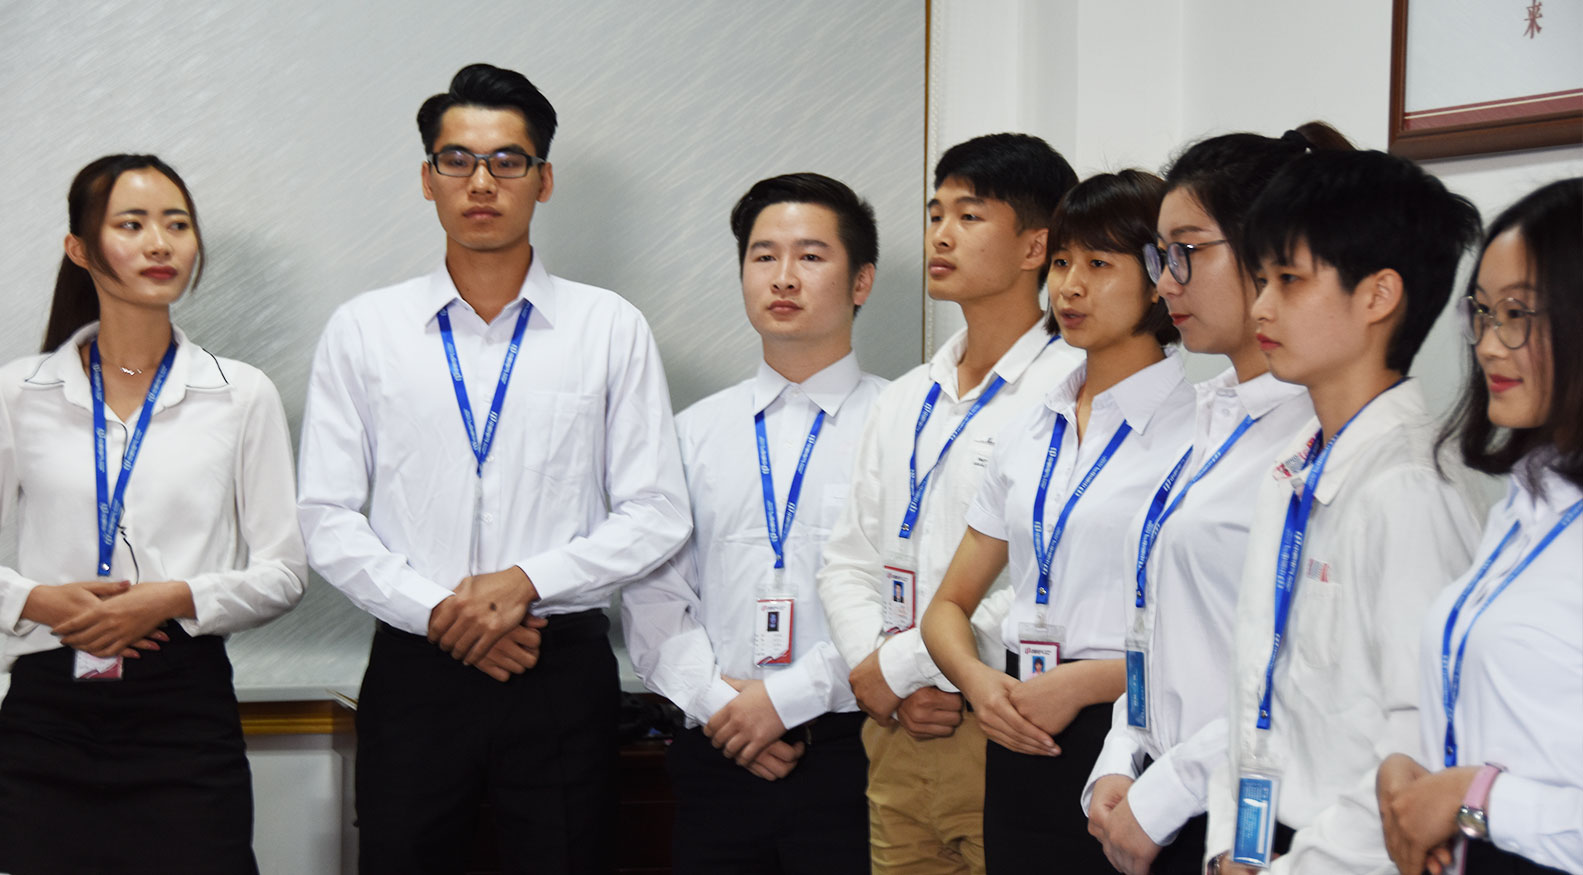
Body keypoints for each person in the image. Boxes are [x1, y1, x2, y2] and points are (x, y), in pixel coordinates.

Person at [296, 64, 691, 874]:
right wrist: (441, 611)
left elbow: (656, 509)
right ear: (427, 178)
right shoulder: (364, 329)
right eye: (457, 160)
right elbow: (325, 514)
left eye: (508, 161)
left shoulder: (608, 327)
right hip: (416, 664)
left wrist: (525, 582)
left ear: (543, 179)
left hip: (556, 663)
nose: (481, 182)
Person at [0, 154, 307, 873]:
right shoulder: (19, 391)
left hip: (184, 712)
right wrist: (39, 600)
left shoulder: (241, 393)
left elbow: (286, 572)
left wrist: (173, 597)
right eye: (131, 225)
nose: (160, 244)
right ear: (80, 248)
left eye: (177, 224)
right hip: (47, 714)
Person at [1201, 149, 1488, 874]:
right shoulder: (1294, 466)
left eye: (1289, 280)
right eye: (1260, 280)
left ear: (1378, 295)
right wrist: (1227, 845)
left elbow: (1419, 739)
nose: (1260, 307)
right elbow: (1249, 683)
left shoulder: (1409, 488)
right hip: (1260, 844)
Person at [1084, 125, 1349, 875]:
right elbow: (1162, 625)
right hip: (1156, 797)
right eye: (1158, 257)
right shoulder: (1211, 414)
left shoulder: (1315, 434)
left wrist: (1166, 791)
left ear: (1270, 250)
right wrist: (1120, 755)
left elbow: (1298, 672)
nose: (1165, 283)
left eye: (1186, 253)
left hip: (1243, 814)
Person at [816, 133, 1084, 874]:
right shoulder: (907, 395)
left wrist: (908, 667)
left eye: (969, 216)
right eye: (935, 213)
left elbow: (1049, 574)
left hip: (1004, 721)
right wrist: (878, 671)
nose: (940, 233)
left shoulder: (1070, 389)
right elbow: (849, 558)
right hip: (898, 730)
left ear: (1035, 245)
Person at [921, 169, 1196, 871]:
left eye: (1099, 264)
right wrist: (980, 684)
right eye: (1063, 262)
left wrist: (1080, 685)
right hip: (1015, 719)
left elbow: (1212, 646)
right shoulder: (1028, 424)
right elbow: (947, 605)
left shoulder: (1198, 432)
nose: (1069, 287)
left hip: (1135, 732)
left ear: (1160, 279)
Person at [621, 172, 887, 873]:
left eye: (811, 255)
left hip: (858, 744)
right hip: (718, 749)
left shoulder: (904, 427)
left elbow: (912, 601)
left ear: (861, 281)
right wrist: (722, 706)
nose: (783, 276)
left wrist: (786, 699)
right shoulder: (690, 434)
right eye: (763, 255)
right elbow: (653, 596)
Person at [1376, 177, 1583, 875]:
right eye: (1483, 313)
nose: (1490, 345)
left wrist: (1475, 799)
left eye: (1518, 314)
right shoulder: (1524, 505)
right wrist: (1413, 768)